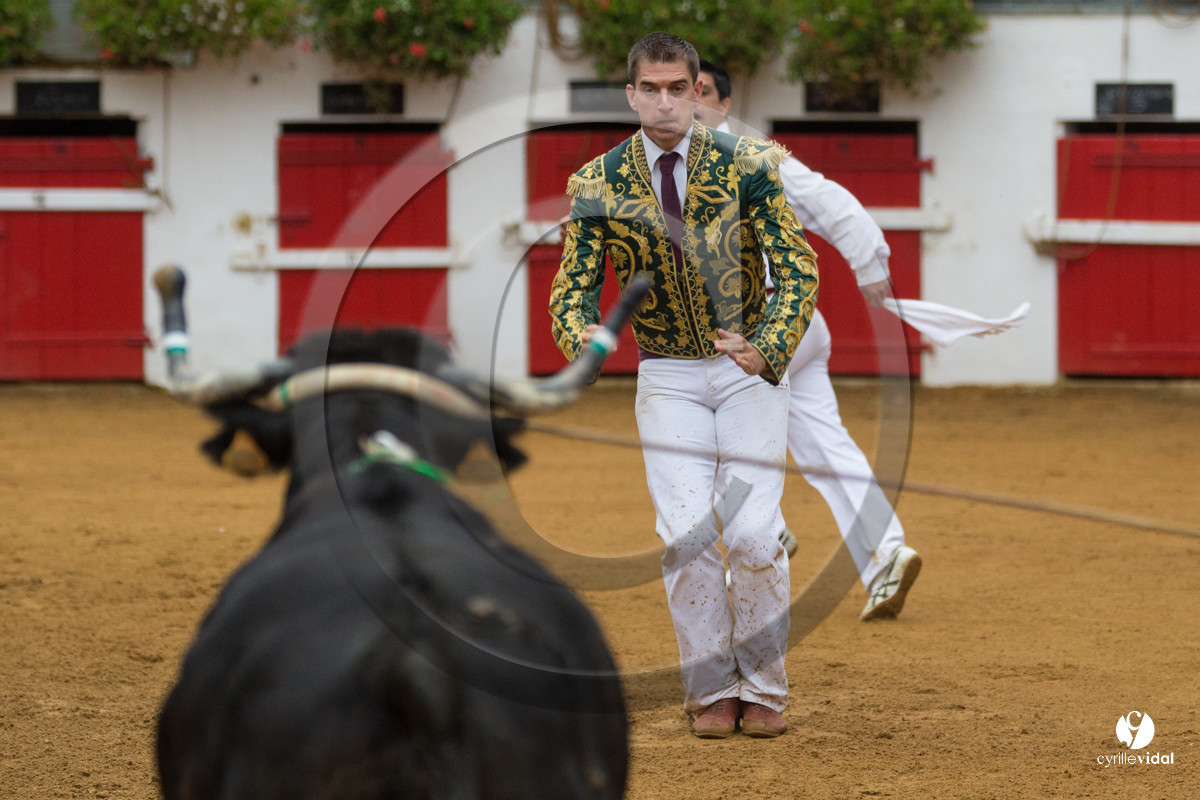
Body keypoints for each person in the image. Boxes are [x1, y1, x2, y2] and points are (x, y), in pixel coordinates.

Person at [549, 33, 819, 739]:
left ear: (699, 92)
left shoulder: (750, 165)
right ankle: (712, 690)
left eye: (679, 88)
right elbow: (572, 291)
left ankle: (763, 687)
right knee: (687, 537)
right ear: (631, 94)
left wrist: (768, 346)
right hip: (666, 373)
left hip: (746, 371)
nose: (665, 101)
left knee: (756, 533)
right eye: (651, 89)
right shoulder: (597, 183)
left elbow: (797, 268)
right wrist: (581, 338)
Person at [694, 59, 921, 623]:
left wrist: (871, 270)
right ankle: (887, 554)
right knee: (825, 446)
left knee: (698, 425)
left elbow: (828, 200)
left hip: (762, 329)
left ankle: (763, 535)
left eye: (699, 90)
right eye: (674, 89)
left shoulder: (738, 151)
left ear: (725, 106)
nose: (685, 100)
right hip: (797, 327)